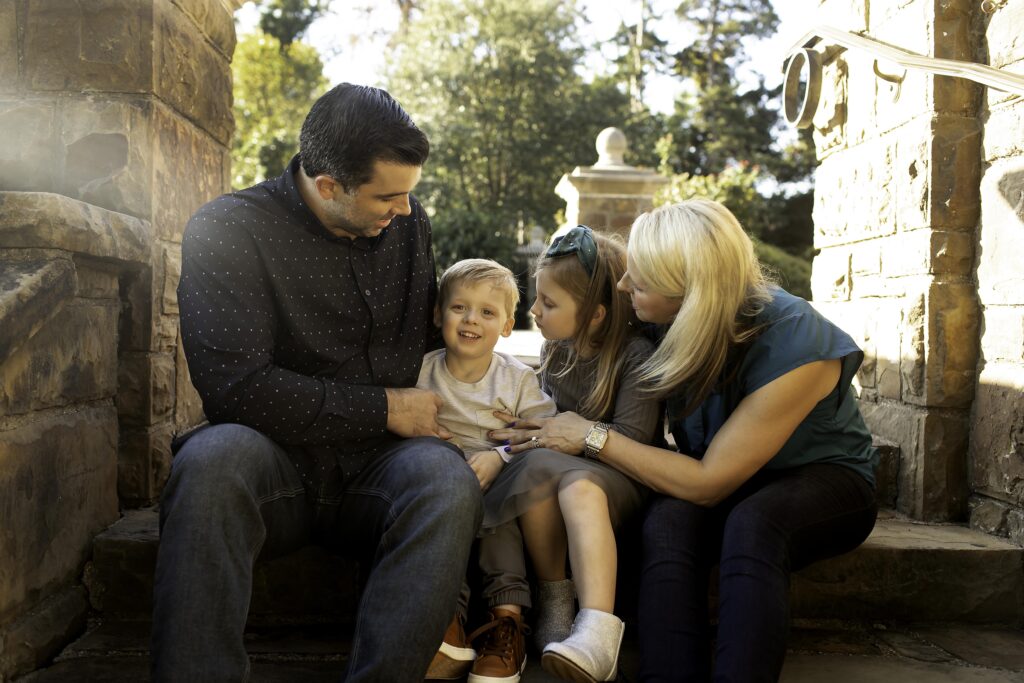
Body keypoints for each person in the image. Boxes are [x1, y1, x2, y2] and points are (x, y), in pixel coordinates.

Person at [152, 83, 482, 682]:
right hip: (272, 468)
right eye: (389, 196)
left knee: (445, 479)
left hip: (380, 475)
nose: (404, 210)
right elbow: (237, 388)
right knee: (210, 459)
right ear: (328, 184)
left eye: (409, 194)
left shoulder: (409, 226)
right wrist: (384, 409)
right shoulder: (227, 228)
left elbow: (433, 344)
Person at [492, 200, 879, 682]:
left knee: (755, 525)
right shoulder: (661, 314)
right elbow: (589, 314)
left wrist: (588, 435)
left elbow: (708, 483)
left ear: (689, 290)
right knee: (668, 521)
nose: (623, 286)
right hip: (718, 475)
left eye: (641, 280)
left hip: (820, 479)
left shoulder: (798, 342)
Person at [468, 226, 661, 683]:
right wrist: (516, 429)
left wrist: (544, 440)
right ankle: (555, 597)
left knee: (574, 487)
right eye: (538, 298)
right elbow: (545, 420)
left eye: (549, 304)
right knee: (540, 473)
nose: (534, 310)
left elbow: (632, 438)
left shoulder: (635, 356)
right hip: (561, 468)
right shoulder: (555, 349)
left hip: (621, 477)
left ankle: (597, 630)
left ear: (595, 314)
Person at [415, 258, 558, 680]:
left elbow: (543, 433)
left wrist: (500, 457)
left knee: (501, 526)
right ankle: (449, 626)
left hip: (497, 486)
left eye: (487, 312)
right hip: (444, 489)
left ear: (507, 326)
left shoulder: (516, 380)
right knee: (445, 530)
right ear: (439, 313)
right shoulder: (423, 371)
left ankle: (506, 623)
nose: (470, 320)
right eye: (459, 308)